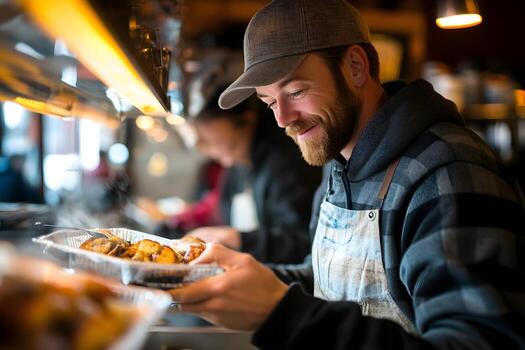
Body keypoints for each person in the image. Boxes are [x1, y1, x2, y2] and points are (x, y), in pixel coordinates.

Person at [169, 0, 525, 349]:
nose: (283, 119)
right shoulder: (338, 164)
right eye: (269, 102)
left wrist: (281, 313)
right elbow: (325, 281)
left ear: (355, 66)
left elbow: (475, 341)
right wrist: (233, 281)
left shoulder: (447, 173)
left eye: (296, 91)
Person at [174, 86, 323, 264]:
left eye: (204, 124)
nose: (199, 143)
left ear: (245, 119)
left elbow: (303, 242)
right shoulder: (235, 169)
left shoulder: (285, 162)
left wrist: (237, 238)